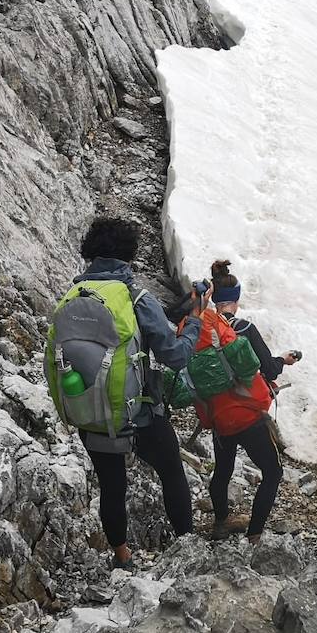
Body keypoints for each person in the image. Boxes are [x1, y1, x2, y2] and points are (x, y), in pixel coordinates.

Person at [71, 218, 209, 570]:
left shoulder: (74, 296)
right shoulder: (135, 297)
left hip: (92, 411)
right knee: (172, 473)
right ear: (128, 255)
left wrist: (180, 308)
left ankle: (122, 556)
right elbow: (174, 355)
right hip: (140, 413)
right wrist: (194, 320)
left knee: (112, 485)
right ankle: (186, 552)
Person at [205, 260, 298, 543]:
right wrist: (284, 360)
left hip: (218, 414)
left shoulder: (202, 330)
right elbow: (268, 369)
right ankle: (255, 534)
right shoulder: (244, 328)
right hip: (247, 414)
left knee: (222, 470)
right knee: (272, 471)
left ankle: (220, 523)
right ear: (236, 300)